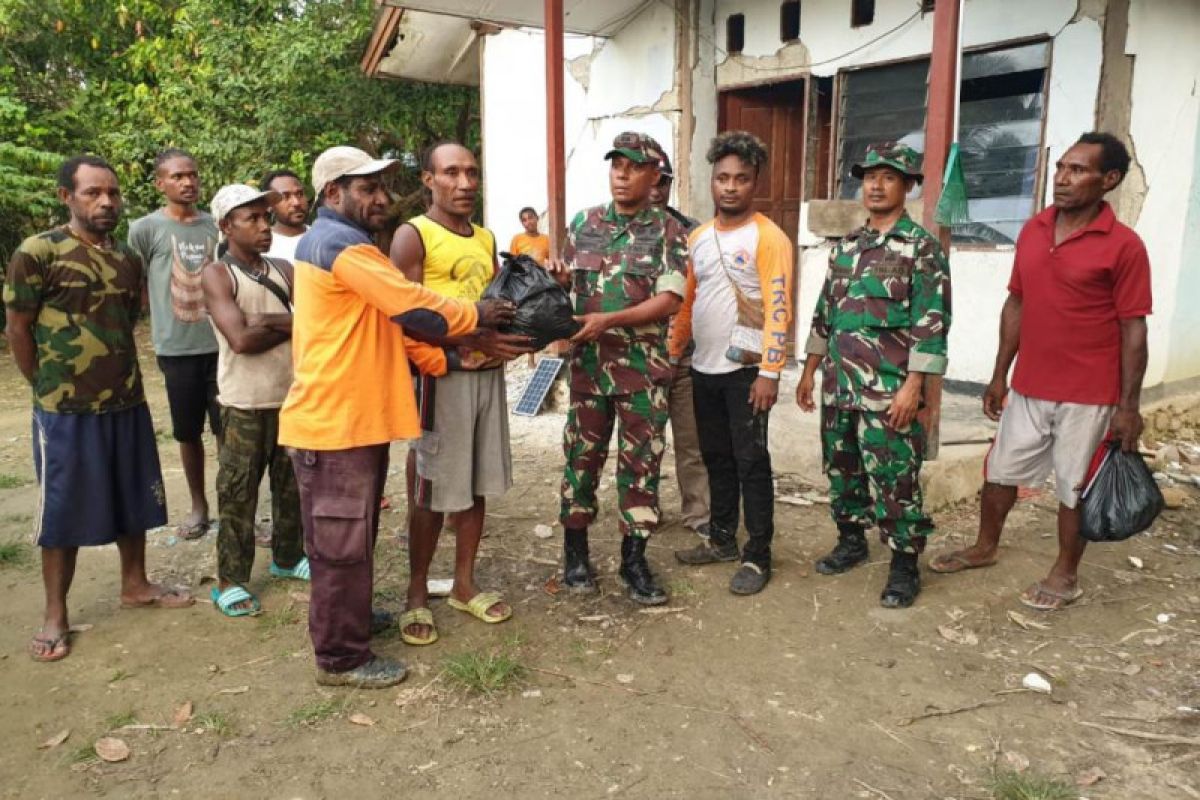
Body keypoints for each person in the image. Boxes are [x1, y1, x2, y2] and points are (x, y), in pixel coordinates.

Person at [279, 145, 514, 688]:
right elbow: (411, 305)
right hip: (334, 423)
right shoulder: (339, 244)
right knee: (338, 545)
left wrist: (452, 356)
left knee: (351, 536)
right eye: (367, 188)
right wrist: (476, 314)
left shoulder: (348, 244)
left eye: (382, 187)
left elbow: (388, 332)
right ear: (332, 193)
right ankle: (340, 658)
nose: (381, 198)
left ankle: (352, 621)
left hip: (355, 419)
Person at [929, 132, 1151, 611]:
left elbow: (1134, 329)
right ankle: (985, 546)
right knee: (1000, 473)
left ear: (1108, 180)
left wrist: (1128, 407)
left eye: (1078, 170)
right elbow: (1018, 302)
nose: (1063, 179)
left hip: (1090, 393)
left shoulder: (1124, 246)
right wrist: (998, 374)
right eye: (1061, 168)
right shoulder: (1033, 229)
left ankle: (1065, 572)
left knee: (1074, 487)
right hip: (1030, 384)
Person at [5, 155, 194, 662]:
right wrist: (45, 388)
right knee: (62, 510)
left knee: (135, 496)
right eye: (93, 193)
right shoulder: (37, 252)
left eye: (112, 192)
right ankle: (54, 613)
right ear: (67, 196)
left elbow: (126, 320)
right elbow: (18, 329)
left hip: (127, 400)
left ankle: (135, 583)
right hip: (64, 411)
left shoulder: (127, 258)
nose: (106, 201)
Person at [796, 141, 951, 609]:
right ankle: (851, 540)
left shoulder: (919, 248)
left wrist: (914, 387)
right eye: (869, 177)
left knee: (894, 477)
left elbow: (932, 323)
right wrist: (808, 370)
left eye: (888, 177)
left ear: (907, 185)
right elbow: (825, 311)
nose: (876, 185)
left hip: (888, 390)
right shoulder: (848, 247)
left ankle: (904, 565)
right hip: (839, 386)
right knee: (842, 468)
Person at [388, 142, 532, 646]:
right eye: (452, 172)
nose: (466, 182)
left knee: (475, 483)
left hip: (486, 374)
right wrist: (472, 335)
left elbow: (495, 300)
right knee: (431, 489)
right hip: (439, 375)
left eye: (472, 172)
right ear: (428, 179)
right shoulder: (412, 236)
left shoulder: (485, 236)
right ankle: (415, 590)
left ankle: (465, 583)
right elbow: (408, 316)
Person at [546, 131, 688, 606]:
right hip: (588, 370)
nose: (622, 175)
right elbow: (566, 289)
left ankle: (634, 560)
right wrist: (561, 282)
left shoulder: (670, 232)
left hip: (642, 375)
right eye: (616, 165)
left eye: (632, 167)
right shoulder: (584, 223)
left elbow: (669, 299)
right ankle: (576, 554)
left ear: (654, 175)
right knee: (580, 461)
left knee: (641, 467)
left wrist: (609, 320)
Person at [670, 131, 793, 595]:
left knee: (751, 462)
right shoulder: (698, 237)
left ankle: (758, 555)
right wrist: (674, 347)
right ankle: (722, 537)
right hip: (703, 369)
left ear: (754, 181)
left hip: (747, 371)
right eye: (723, 177)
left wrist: (770, 372)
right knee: (716, 457)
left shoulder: (769, 237)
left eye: (741, 178)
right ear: (712, 180)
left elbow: (779, 307)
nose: (730, 186)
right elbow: (689, 300)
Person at [201, 184, 308, 618]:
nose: (265, 226)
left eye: (267, 217)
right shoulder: (217, 275)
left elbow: (317, 324)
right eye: (253, 219)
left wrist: (265, 319)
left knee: (292, 487)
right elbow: (241, 340)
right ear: (227, 226)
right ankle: (231, 579)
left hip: (290, 399)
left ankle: (286, 557)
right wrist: (290, 324)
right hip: (243, 402)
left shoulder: (285, 268)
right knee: (238, 493)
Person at [127, 148, 220, 540]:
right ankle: (198, 505)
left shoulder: (216, 225)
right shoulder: (144, 229)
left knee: (228, 431)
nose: (188, 182)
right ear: (160, 183)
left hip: (222, 346)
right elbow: (136, 285)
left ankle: (235, 507)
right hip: (176, 349)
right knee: (187, 431)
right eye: (178, 176)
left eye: (193, 175)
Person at [648, 146, 711, 540]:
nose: (656, 188)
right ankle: (643, 510)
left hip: (688, 357)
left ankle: (699, 513)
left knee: (692, 442)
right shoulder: (617, 233)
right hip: (640, 358)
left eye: (664, 181)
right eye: (650, 179)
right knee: (644, 443)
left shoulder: (694, 233)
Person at [261, 169, 310, 261]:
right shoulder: (262, 247)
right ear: (269, 205)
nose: (296, 203)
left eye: (299, 194)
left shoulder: (323, 238)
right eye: (285, 196)